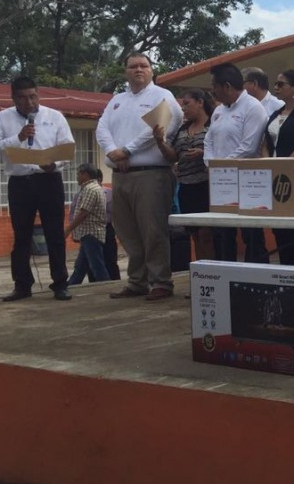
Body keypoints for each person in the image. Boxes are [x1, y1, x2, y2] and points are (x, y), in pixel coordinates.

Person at [96, 54, 182, 301]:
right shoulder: (117, 100)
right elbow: (102, 128)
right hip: (121, 175)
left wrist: (127, 150)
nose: (138, 70)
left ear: (152, 70)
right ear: (125, 71)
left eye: (144, 66)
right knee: (127, 231)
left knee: (153, 230)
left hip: (151, 174)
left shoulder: (162, 96)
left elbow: (159, 130)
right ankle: (137, 281)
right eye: (133, 66)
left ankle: (161, 282)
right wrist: (114, 151)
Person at [0, 75, 75, 301]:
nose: (29, 102)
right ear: (13, 98)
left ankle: (60, 283)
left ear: (38, 94)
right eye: (23, 98)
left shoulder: (55, 116)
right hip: (20, 183)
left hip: (49, 180)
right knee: (22, 236)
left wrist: (55, 163)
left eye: (33, 96)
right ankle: (22, 285)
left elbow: (67, 148)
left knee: (55, 234)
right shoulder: (2, 118)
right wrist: (17, 138)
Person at [203, 62, 269, 264]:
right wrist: (210, 164)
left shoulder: (253, 108)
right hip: (220, 182)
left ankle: (256, 274)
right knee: (222, 232)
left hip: (247, 180)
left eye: (214, 85)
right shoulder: (218, 111)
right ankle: (225, 273)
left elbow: (249, 147)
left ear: (227, 86)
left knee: (250, 233)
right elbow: (209, 140)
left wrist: (221, 166)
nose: (212, 90)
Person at [258, 69, 294, 266]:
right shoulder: (275, 114)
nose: (276, 88)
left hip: (293, 175)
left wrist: (284, 165)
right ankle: (285, 270)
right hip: (273, 175)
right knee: (279, 227)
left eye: (281, 84)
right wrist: (268, 163)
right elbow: (265, 143)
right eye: (276, 84)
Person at [153, 89, 215, 262]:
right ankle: (202, 272)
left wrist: (203, 152)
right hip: (187, 186)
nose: (184, 108)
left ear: (201, 102)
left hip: (208, 185)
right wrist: (160, 142)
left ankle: (213, 271)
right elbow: (173, 156)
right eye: (182, 105)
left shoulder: (213, 124)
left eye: (187, 103)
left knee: (207, 233)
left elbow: (222, 149)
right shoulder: (183, 129)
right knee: (194, 233)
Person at [67, 163, 110, 285]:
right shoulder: (93, 188)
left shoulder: (90, 189)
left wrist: (68, 229)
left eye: (78, 174)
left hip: (91, 233)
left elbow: (83, 213)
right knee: (80, 267)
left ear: (85, 174)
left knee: (97, 267)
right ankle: (71, 286)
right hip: (88, 233)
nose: (76, 177)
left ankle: (106, 287)